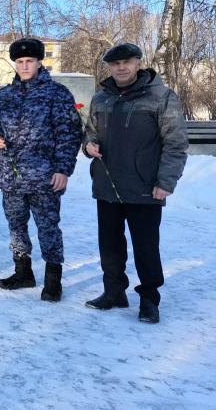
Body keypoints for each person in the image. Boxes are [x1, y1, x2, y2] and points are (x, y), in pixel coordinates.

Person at [82, 43, 187, 324]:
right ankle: (114, 291)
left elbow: (176, 144)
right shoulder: (101, 99)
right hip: (107, 186)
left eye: (127, 61)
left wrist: (166, 181)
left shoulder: (161, 97)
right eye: (115, 64)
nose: (122, 67)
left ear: (138, 63)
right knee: (110, 245)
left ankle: (149, 299)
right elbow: (90, 134)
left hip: (145, 187)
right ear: (109, 67)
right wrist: (89, 145)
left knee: (146, 247)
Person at [0, 38, 82, 301]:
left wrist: (63, 170)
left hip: (44, 177)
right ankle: (23, 272)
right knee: (16, 226)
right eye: (20, 62)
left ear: (39, 62)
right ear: (14, 64)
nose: (25, 66)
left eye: (30, 61)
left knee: (48, 228)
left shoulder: (57, 94)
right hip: (11, 176)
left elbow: (69, 134)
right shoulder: (4, 96)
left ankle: (53, 281)